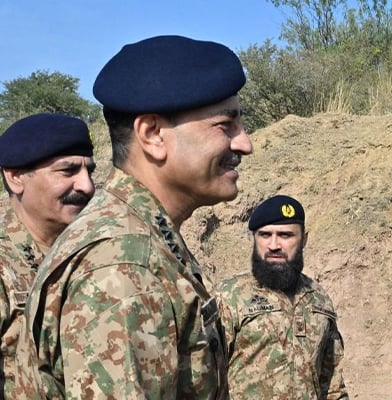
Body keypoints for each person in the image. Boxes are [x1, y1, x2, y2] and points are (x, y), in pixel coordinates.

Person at [20, 35, 252, 399]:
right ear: (153, 134)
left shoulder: (140, 236)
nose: (244, 143)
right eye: (226, 125)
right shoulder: (123, 265)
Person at [0, 113, 95, 398]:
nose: (87, 185)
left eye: (89, 171)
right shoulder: (5, 265)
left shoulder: (91, 254)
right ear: (16, 178)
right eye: (68, 171)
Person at [217, 195, 348, 399]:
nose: (274, 245)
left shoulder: (319, 300)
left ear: (304, 239)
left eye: (285, 235)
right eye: (265, 235)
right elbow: (204, 378)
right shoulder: (229, 296)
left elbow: (333, 385)